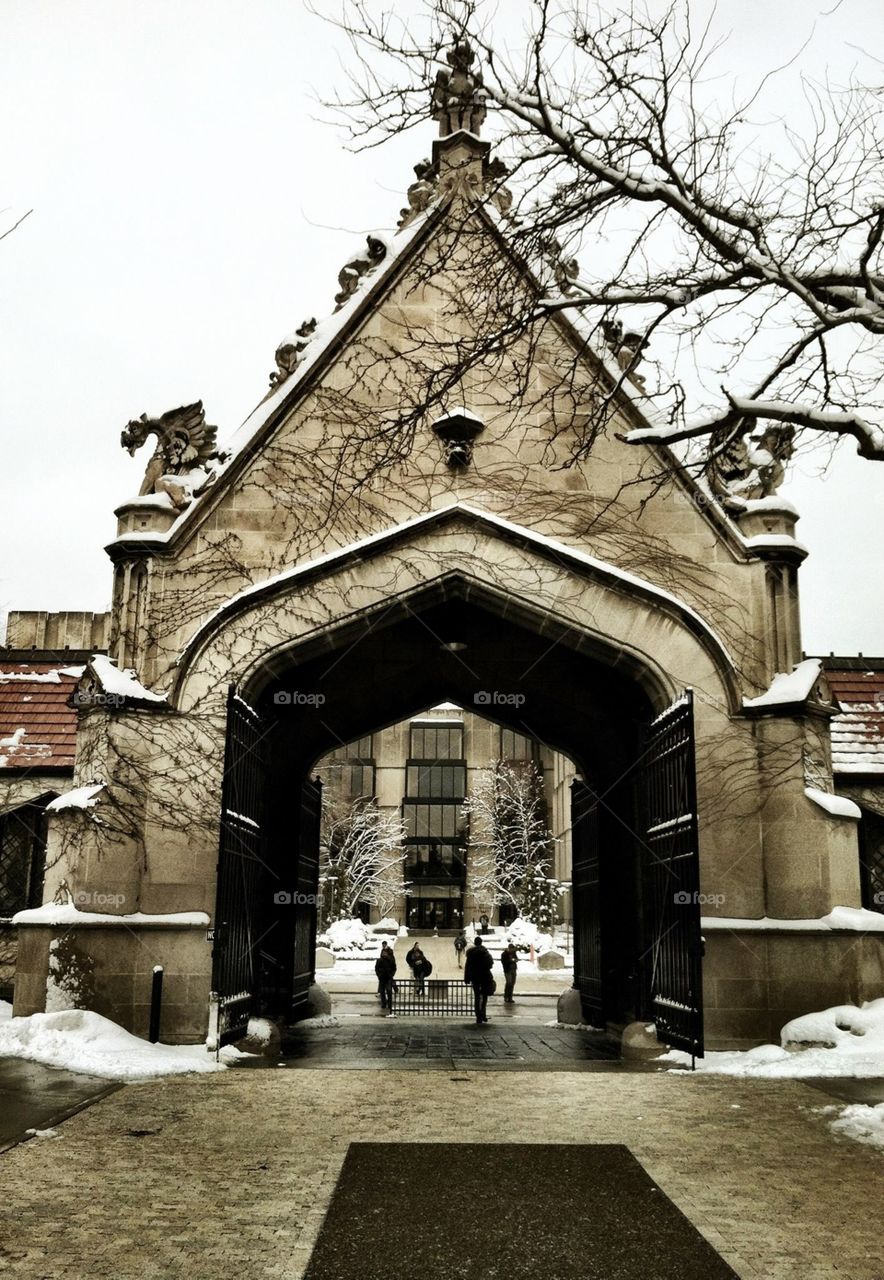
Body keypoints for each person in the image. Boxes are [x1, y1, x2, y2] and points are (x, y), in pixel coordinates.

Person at [463, 933, 495, 1025]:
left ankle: (478, 1016)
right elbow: (490, 964)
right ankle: (483, 1014)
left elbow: (467, 966)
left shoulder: (471, 953)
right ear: (481, 943)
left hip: (475, 977)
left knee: (477, 997)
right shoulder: (485, 952)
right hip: (485, 977)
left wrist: (467, 978)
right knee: (484, 996)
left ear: (475, 943)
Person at [375, 940, 397, 1016]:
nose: (383, 953)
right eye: (383, 953)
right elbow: (376, 969)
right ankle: (384, 1003)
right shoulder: (379, 960)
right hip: (382, 978)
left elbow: (394, 967)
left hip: (388, 977)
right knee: (382, 992)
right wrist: (379, 975)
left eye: (385, 953)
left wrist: (392, 974)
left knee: (389, 991)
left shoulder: (390, 959)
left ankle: (389, 1003)